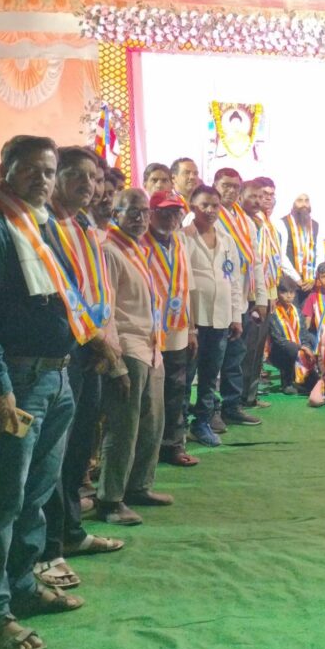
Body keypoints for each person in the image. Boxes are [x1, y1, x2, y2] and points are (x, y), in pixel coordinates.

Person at [0, 135, 108, 649]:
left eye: (48, 170)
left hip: (55, 378)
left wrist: (89, 338)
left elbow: (61, 294)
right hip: (13, 384)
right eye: (31, 170)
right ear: (5, 170)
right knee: (1, 502)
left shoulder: (36, 222)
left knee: (36, 495)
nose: (42, 179)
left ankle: (21, 586)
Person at [37, 146, 124, 592]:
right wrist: (93, 337)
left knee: (79, 448)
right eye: (77, 175)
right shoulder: (44, 225)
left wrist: (105, 335)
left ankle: (71, 530)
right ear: (55, 177)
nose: (89, 185)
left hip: (92, 346)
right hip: (67, 348)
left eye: (94, 177)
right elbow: (62, 293)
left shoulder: (84, 224)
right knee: (54, 452)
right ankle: (47, 546)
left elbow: (97, 288)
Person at [98, 189, 173, 526]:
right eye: (133, 212)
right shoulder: (109, 251)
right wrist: (115, 362)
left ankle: (139, 486)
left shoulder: (139, 249)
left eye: (145, 212)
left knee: (152, 423)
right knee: (123, 428)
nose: (141, 218)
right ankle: (110, 500)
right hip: (127, 348)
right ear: (116, 214)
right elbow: (107, 310)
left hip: (151, 347)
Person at [183, 185, 243, 447]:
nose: (210, 210)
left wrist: (236, 316)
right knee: (185, 377)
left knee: (210, 376)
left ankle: (202, 423)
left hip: (220, 319)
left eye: (214, 205)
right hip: (193, 321)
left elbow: (234, 279)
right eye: (204, 205)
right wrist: (187, 326)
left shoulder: (227, 240)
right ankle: (177, 428)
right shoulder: (183, 237)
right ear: (192, 207)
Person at [141, 190, 197, 462]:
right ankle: (146, 449)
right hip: (147, 330)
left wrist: (193, 328)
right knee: (149, 394)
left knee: (176, 388)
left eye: (176, 212)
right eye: (164, 212)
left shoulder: (180, 241)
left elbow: (188, 287)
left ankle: (173, 445)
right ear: (151, 214)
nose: (171, 218)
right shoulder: (140, 242)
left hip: (177, 327)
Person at [212, 169, 259, 426]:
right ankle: (210, 411)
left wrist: (259, 297)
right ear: (215, 185)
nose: (231, 191)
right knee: (213, 360)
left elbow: (256, 261)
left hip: (240, 298)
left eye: (235, 187)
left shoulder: (246, 221)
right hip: (216, 302)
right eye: (225, 185)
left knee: (235, 357)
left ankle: (232, 405)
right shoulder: (207, 216)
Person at [240, 178, 278, 414]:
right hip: (250, 293)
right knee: (246, 349)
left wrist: (271, 292)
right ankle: (239, 399)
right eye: (259, 195)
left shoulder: (267, 223)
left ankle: (250, 396)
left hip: (266, 291)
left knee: (256, 349)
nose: (264, 199)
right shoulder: (244, 223)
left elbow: (269, 261)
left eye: (269, 195)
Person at [268, 277, 316, 395]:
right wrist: (300, 348)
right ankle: (287, 383)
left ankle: (302, 379)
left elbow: (304, 333)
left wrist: (306, 347)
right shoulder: (272, 312)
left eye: (292, 292)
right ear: (278, 293)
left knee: (310, 340)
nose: (289, 296)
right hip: (278, 352)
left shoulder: (297, 311)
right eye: (284, 292)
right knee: (291, 349)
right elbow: (277, 339)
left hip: (298, 350)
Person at [278, 193, 323, 309]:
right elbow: (281, 255)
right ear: (292, 204)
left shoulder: (315, 225)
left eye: (307, 201)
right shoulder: (282, 224)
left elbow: (320, 254)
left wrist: (313, 277)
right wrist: (297, 279)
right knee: (291, 315)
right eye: (300, 200)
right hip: (290, 283)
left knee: (307, 316)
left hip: (310, 283)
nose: (304, 204)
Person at [302, 262, 325, 341]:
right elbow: (307, 321)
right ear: (318, 278)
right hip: (318, 336)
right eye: (323, 277)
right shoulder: (312, 296)